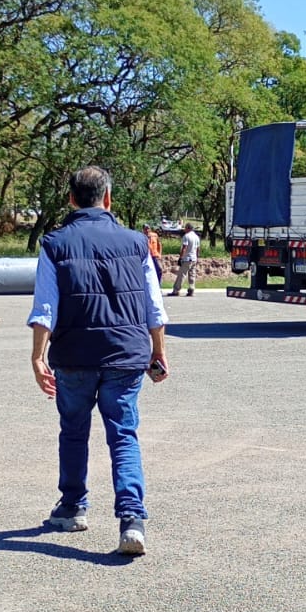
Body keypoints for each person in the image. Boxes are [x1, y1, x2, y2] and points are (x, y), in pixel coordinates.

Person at [28, 166, 168, 555]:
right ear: (108, 198)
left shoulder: (54, 244)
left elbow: (45, 306)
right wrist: (158, 352)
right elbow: (153, 306)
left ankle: (73, 507)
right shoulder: (136, 242)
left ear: (71, 199)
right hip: (126, 355)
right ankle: (132, 521)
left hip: (73, 356)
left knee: (73, 431)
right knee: (123, 435)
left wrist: (38, 357)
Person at [169, 222, 201, 296]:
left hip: (187, 258)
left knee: (182, 275)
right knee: (192, 275)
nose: (184, 229)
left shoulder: (186, 236)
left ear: (188, 228)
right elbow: (198, 249)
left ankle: (176, 290)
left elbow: (184, 248)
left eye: (185, 228)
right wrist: (197, 257)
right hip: (194, 259)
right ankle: (191, 289)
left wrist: (180, 258)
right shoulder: (196, 237)